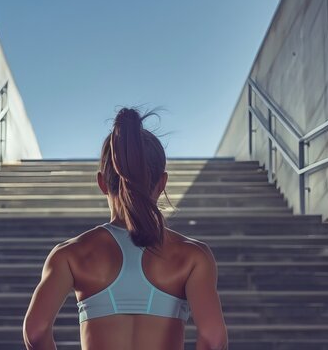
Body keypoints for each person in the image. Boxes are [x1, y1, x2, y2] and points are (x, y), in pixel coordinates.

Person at [23, 107, 228, 350]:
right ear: (162, 183)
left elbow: (35, 332)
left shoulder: (70, 254)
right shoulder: (194, 256)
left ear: (101, 182)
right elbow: (214, 339)